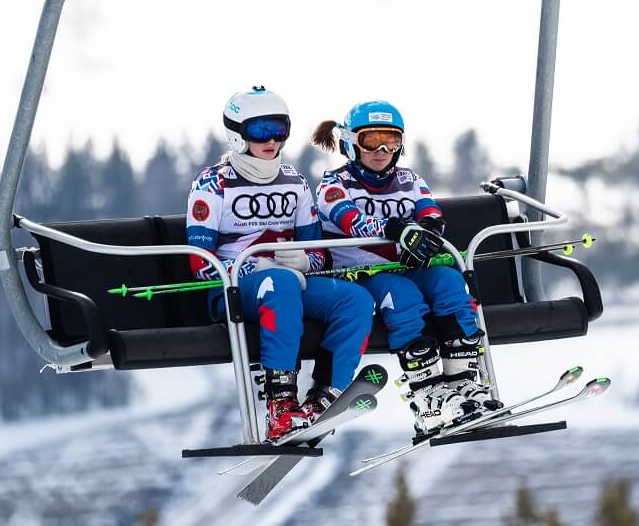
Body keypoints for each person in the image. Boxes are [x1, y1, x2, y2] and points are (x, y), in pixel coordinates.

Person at [186, 86, 376, 441]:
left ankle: (324, 397)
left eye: (280, 129)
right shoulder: (213, 184)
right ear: (237, 133)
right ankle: (281, 406)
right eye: (261, 130)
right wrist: (252, 269)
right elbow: (200, 263)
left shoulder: (295, 182)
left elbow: (318, 254)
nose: (272, 140)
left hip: (289, 284)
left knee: (356, 300)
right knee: (281, 284)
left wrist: (304, 261)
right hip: (233, 292)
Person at [311, 100, 502, 437]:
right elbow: (352, 221)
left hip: (410, 265)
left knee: (450, 282)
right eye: (372, 141)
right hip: (363, 273)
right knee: (402, 296)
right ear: (350, 143)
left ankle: (462, 384)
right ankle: (428, 397)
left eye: (391, 140)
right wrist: (397, 230)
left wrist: (427, 232)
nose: (382, 150)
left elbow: (430, 212)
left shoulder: (409, 179)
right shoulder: (334, 184)